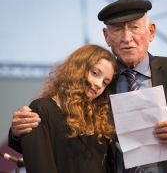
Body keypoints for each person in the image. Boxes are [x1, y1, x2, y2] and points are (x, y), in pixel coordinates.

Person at [9, 0, 167, 173]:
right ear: (107, 38)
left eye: (135, 28)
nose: (127, 37)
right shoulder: (99, 84)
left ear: (151, 32)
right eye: (118, 30)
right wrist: (19, 133)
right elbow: (64, 133)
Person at [17, 44, 118, 173]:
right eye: (95, 73)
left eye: (105, 82)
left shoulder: (100, 120)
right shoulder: (43, 109)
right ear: (78, 68)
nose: (99, 84)